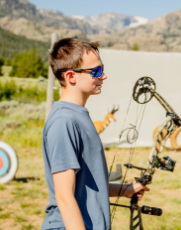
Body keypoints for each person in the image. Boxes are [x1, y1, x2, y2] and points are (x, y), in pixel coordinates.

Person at [42, 38, 149, 230]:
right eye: (96, 71)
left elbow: (87, 185)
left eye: (102, 69)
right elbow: (65, 196)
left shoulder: (77, 115)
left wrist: (124, 190)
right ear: (71, 77)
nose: (103, 76)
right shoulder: (63, 121)